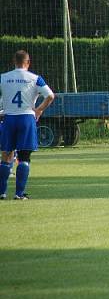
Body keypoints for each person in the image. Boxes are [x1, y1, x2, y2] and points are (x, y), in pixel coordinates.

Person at [0, 50, 55, 200]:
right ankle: (19, 194)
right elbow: (50, 96)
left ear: (14, 61)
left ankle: (1, 192)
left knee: (6, 155)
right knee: (24, 157)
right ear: (28, 62)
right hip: (26, 118)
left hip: (9, 118)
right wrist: (39, 110)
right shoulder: (35, 78)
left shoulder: (3, 77)